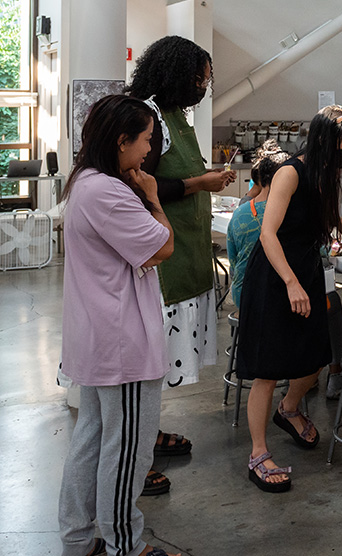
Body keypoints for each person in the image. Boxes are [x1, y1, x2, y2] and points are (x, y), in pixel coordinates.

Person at [58, 95, 180, 556]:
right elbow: (162, 246)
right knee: (128, 449)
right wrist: (152, 196)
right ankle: (124, 544)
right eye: (146, 140)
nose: (149, 150)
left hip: (98, 336)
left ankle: (77, 539)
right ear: (121, 140)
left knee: (91, 439)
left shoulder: (85, 184)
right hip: (121, 343)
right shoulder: (107, 192)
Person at [125, 35, 234, 495]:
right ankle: (134, 457)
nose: (202, 86)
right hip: (162, 264)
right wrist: (198, 182)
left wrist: (205, 181)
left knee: (161, 362)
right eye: (198, 78)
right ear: (175, 74)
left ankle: (149, 435)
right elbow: (143, 183)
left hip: (186, 251)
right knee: (150, 361)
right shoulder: (147, 115)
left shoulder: (175, 119)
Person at [235, 106, 342, 493]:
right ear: (325, 142)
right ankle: (258, 454)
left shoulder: (325, 173)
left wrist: (337, 222)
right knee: (268, 369)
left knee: (317, 356)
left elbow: (313, 212)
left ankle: (288, 410)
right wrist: (290, 282)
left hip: (304, 269)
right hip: (276, 276)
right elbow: (268, 234)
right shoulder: (290, 172)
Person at [226, 140, 289, 308]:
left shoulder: (239, 214)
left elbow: (233, 263)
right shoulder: (290, 213)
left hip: (243, 294)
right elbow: (321, 251)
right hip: (277, 297)